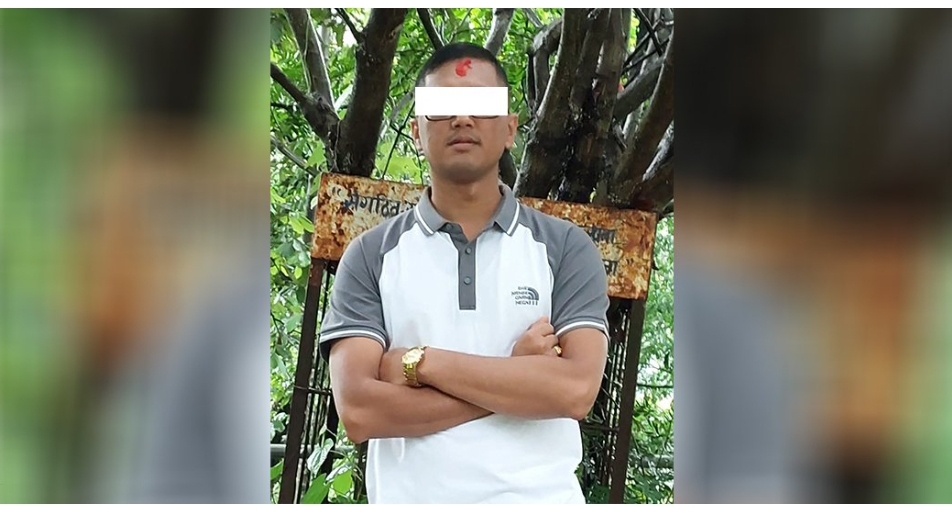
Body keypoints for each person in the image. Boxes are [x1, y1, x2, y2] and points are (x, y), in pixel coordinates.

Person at [319, 42, 610, 504]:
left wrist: (420, 363)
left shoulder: (565, 249)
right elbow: (358, 411)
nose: (461, 118)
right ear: (417, 131)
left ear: (510, 128)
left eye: (480, 104)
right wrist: (517, 377)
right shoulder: (371, 256)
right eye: (442, 107)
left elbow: (575, 391)